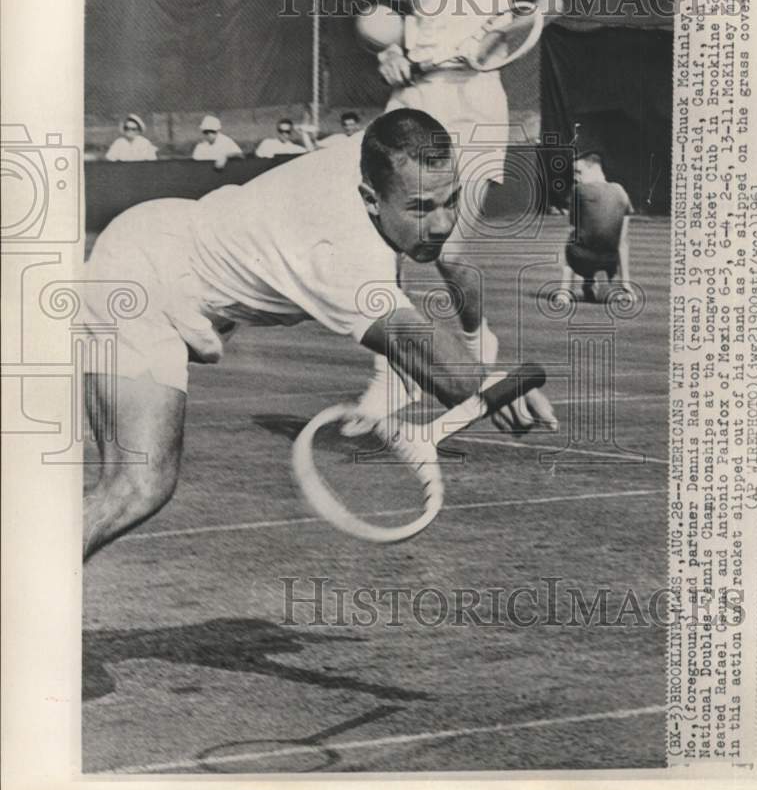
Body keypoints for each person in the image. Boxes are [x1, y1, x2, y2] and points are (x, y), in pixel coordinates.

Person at [82, 109, 557, 560]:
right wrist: (489, 388)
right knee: (137, 485)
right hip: (145, 279)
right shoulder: (341, 253)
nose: (441, 223)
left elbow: (449, 256)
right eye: (420, 208)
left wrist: (490, 373)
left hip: (160, 243)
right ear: (371, 198)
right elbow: (420, 349)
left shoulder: (370, 153)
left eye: (450, 199)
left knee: (124, 483)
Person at [350, 0, 550, 432]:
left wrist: (489, 39)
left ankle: (473, 336)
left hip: (475, 101)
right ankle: (389, 377)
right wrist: (383, 52)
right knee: (377, 243)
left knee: (449, 249)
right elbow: (386, 18)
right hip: (412, 97)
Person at [561, 152, 634, 303]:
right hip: (610, 261)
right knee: (605, 239)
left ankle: (564, 291)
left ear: (594, 168)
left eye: (578, 172)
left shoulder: (578, 190)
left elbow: (575, 227)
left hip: (581, 257)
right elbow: (623, 242)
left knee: (572, 238)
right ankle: (619, 288)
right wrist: (626, 283)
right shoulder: (622, 192)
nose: (576, 177)